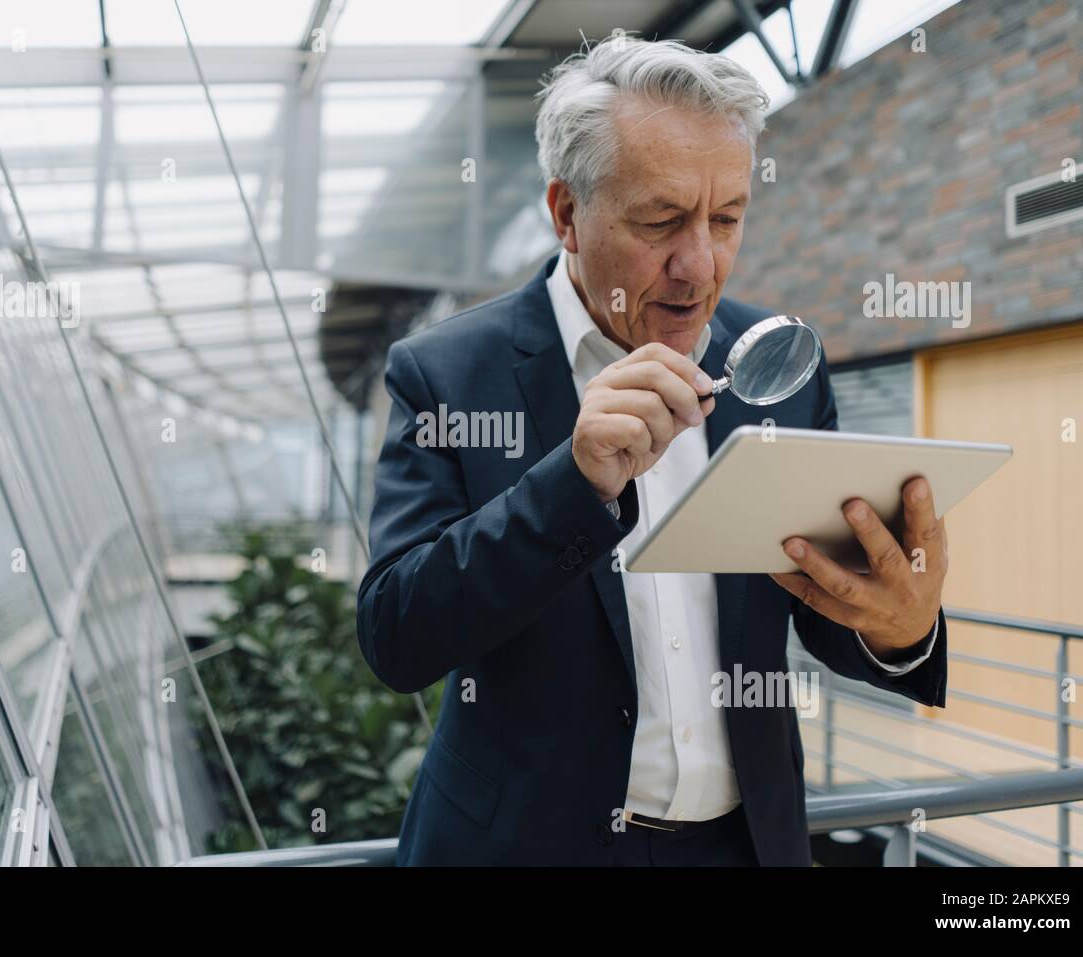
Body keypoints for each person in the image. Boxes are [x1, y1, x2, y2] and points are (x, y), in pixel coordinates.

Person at [356, 34, 948, 866]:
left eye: (728, 217)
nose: (699, 265)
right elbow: (396, 635)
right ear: (567, 213)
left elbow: (822, 602)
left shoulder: (776, 365)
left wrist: (901, 628)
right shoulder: (449, 373)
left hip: (745, 848)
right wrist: (572, 485)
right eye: (661, 220)